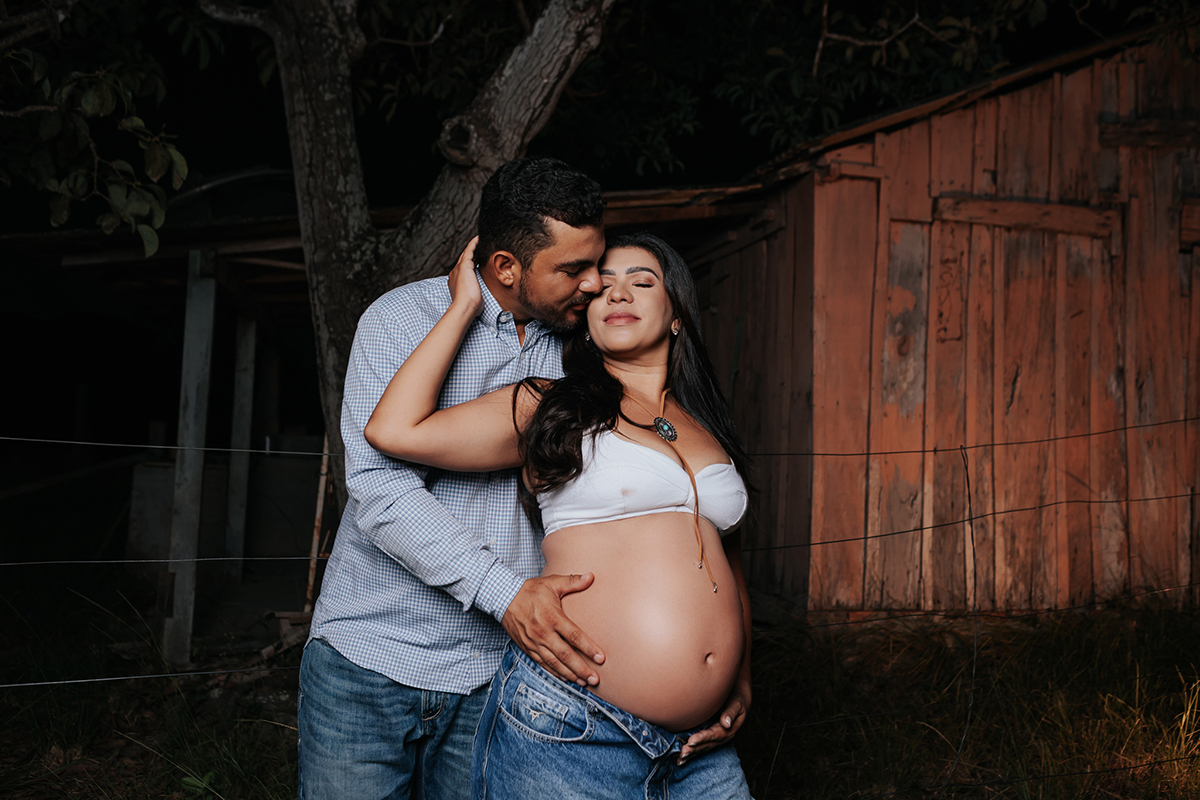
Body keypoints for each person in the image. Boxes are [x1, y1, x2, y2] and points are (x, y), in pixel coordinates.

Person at [365, 231, 755, 799]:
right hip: (576, 727)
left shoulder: (705, 425)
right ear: (585, 319)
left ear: (676, 316)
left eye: (641, 282)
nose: (618, 294)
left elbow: (729, 559)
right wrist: (464, 306)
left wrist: (740, 679)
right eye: (604, 287)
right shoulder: (552, 404)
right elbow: (393, 430)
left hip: (701, 746)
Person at [298, 157, 612, 800]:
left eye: (597, 262)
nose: (595, 283)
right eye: (573, 269)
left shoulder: (585, 346)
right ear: (505, 267)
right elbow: (380, 492)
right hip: (369, 656)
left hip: (498, 673)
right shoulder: (397, 320)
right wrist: (506, 593)